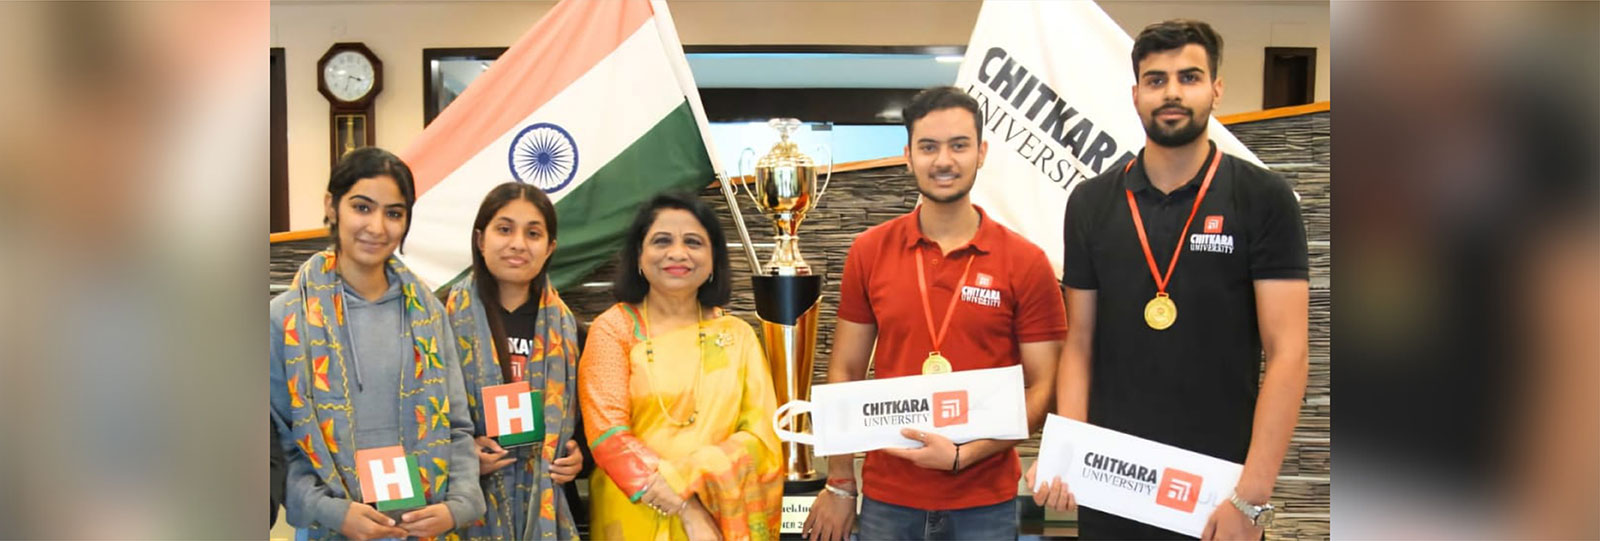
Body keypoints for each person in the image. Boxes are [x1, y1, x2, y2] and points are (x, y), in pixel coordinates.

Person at [1029, 19, 1310, 540]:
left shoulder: (1264, 198)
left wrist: (1251, 496)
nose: (1172, 92)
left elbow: (1288, 353)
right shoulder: (1090, 202)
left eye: (1190, 77)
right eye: (1156, 80)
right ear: (1136, 94)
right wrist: (1070, 453)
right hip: (1113, 480)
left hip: (1217, 489)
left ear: (1216, 89)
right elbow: (1080, 344)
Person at [803, 86, 1068, 541]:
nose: (944, 160)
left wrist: (965, 455)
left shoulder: (1026, 261)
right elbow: (845, 370)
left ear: (982, 153)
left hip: (985, 503)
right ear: (908, 156)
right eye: (928, 147)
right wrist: (841, 481)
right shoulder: (870, 251)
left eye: (959, 145)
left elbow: (1044, 385)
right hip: (889, 498)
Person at [269, 147, 485, 539]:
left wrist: (458, 506)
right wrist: (332, 511)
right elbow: (279, 446)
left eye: (394, 213)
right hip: (332, 529)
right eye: (362, 208)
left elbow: (456, 427)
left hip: (421, 529)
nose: (377, 227)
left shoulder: (428, 314)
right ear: (331, 206)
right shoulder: (285, 318)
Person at [579, 192, 783, 540]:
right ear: (639, 256)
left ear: (713, 259)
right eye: (662, 241)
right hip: (634, 512)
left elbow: (761, 438)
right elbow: (608, 436)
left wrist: (691, 474)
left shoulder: (735, 336)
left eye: (693, 242)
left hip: (720, 516)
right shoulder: (614, 330)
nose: (677, 253)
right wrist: (686, 506)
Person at [444, 182, 585, 539]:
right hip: (464, 509)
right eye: (504, 229)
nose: (518, 244)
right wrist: (461, 455)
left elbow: (587, 429)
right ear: (481, 239)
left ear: (550, 247)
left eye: (533, 233)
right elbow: (419, 416)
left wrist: (579, 459)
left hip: (548, 505)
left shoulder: (570, 332)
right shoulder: (440, 324)